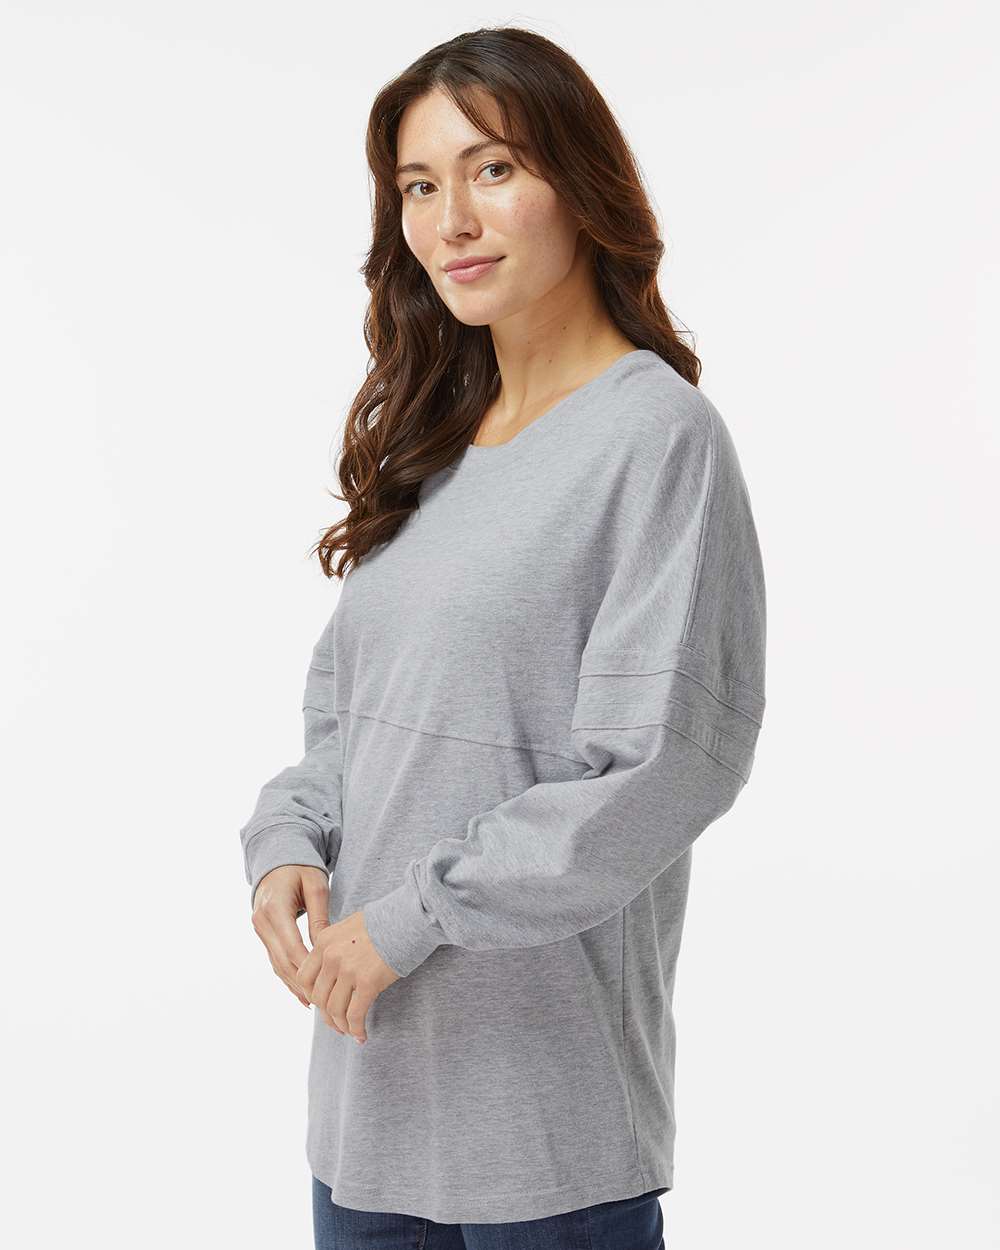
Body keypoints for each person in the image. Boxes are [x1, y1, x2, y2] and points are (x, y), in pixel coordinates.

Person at [238, 25, 767, 1250]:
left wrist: (408, 918)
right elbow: (347, 718)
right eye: (419, 186)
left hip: (545, 1128)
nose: (452, 221)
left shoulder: (656, 439)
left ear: (579, 183)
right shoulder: (430, 441)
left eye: (492, 169)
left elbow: (659, 768)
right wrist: (286, 839)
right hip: (365, 1111)